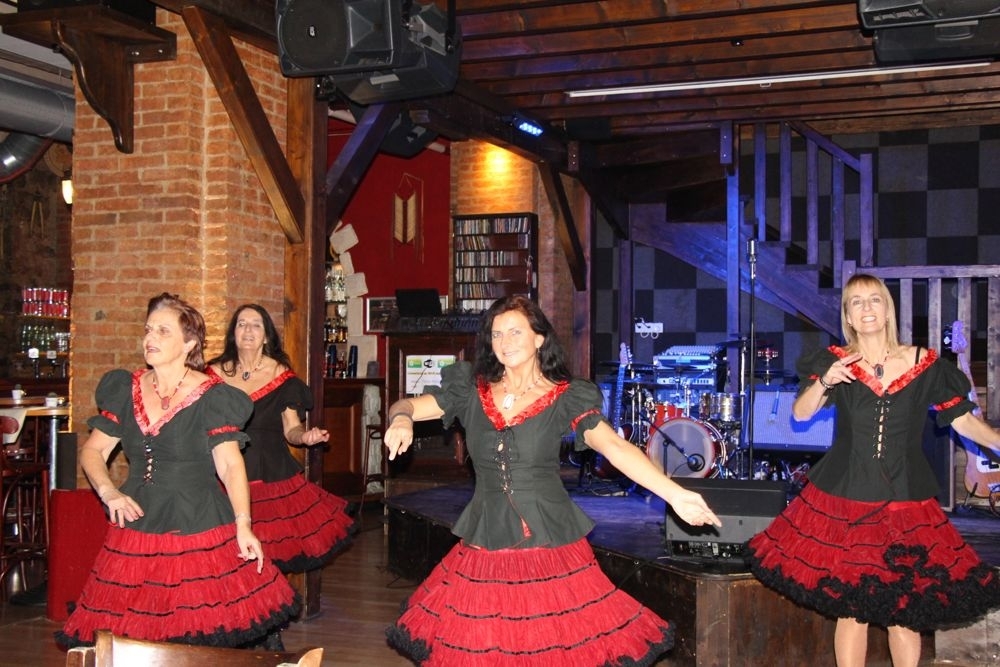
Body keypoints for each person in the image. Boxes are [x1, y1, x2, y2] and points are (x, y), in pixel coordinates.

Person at [382, 295, 721, 666]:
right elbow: (406, 405)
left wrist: (675, 494)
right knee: (485, 646)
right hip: (486, 538)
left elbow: (614, 447)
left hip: (548, 541)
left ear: (539, 338)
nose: (505, 342)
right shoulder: (471, 391)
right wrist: (402, 420)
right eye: (497, 334)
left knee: (548, 647)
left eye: (515, 332)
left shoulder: (565, 397)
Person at [748, 273, 1000, 667]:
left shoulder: (924, 363)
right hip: (847, 496)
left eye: (874, 299)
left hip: (906, 499)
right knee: (852, 610)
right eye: (856, 301)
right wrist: (825, 381)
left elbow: (963, 421)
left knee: (903, 610)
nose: (866, 307)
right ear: (848, 316)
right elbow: (800, 414)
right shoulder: (835, 361)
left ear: (887, 311)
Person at [57, 293, 299, 649]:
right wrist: (108, 492)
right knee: (132, 634)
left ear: (189, 343)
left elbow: (230, 465)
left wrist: (243, 524)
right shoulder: (126, 388)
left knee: (194, 632)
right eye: (148, 329)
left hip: (197, 522)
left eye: (163, 331)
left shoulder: (212, 396)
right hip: (137, 522)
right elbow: (94, 450)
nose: (150, 338)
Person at [206, 304, 355, 576]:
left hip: (268, 477)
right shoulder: (211, 376)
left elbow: (291, 429)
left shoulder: (281, 376)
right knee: (222, 560)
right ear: (233, 333)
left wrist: (306, 437)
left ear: (266, 336)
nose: (248, 330)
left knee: (265, 559)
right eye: (241, 324)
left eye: (256, 325)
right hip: (220, 475)